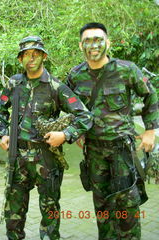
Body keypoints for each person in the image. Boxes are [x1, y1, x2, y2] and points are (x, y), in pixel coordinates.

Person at [0, 36, 93, 240]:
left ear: (44, 56)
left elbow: (85, 115)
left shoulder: (56, 87)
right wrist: (3, 132)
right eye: (25, 55)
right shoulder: (14, 83)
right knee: (13, 215)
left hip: (46, 156)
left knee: (50, 211)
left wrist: (65, 135)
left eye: (35, 54)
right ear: (20, 59)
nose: (30, 58)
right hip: (18, 155)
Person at [66, 22, 159, 239]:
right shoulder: (75, 75)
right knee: (103, 208)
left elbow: (151, 95)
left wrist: (150, 130)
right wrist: (77, 129)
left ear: (108, 42)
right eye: (88, 41)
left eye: (98, 39)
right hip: (94, 153)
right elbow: (68, 105)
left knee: (127, 209)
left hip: (122, 152)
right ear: (81, 46)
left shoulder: (126, 70)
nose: (94, 45)